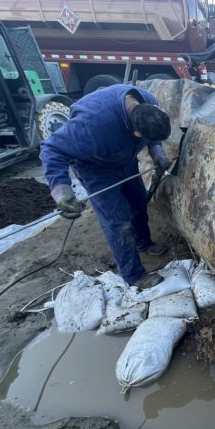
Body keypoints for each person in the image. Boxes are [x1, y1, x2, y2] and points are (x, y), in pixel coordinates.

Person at [40, 84, 173, 289]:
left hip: (124, 160)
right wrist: (62, 191)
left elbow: (153, 138)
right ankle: (133, 275)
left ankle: (143, 242)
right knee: (118, 222)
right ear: (137, 134)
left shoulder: (148, 101)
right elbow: (52, 149)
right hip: (96, 169)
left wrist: (157, 152)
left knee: (138, 202)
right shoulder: (91, 125)